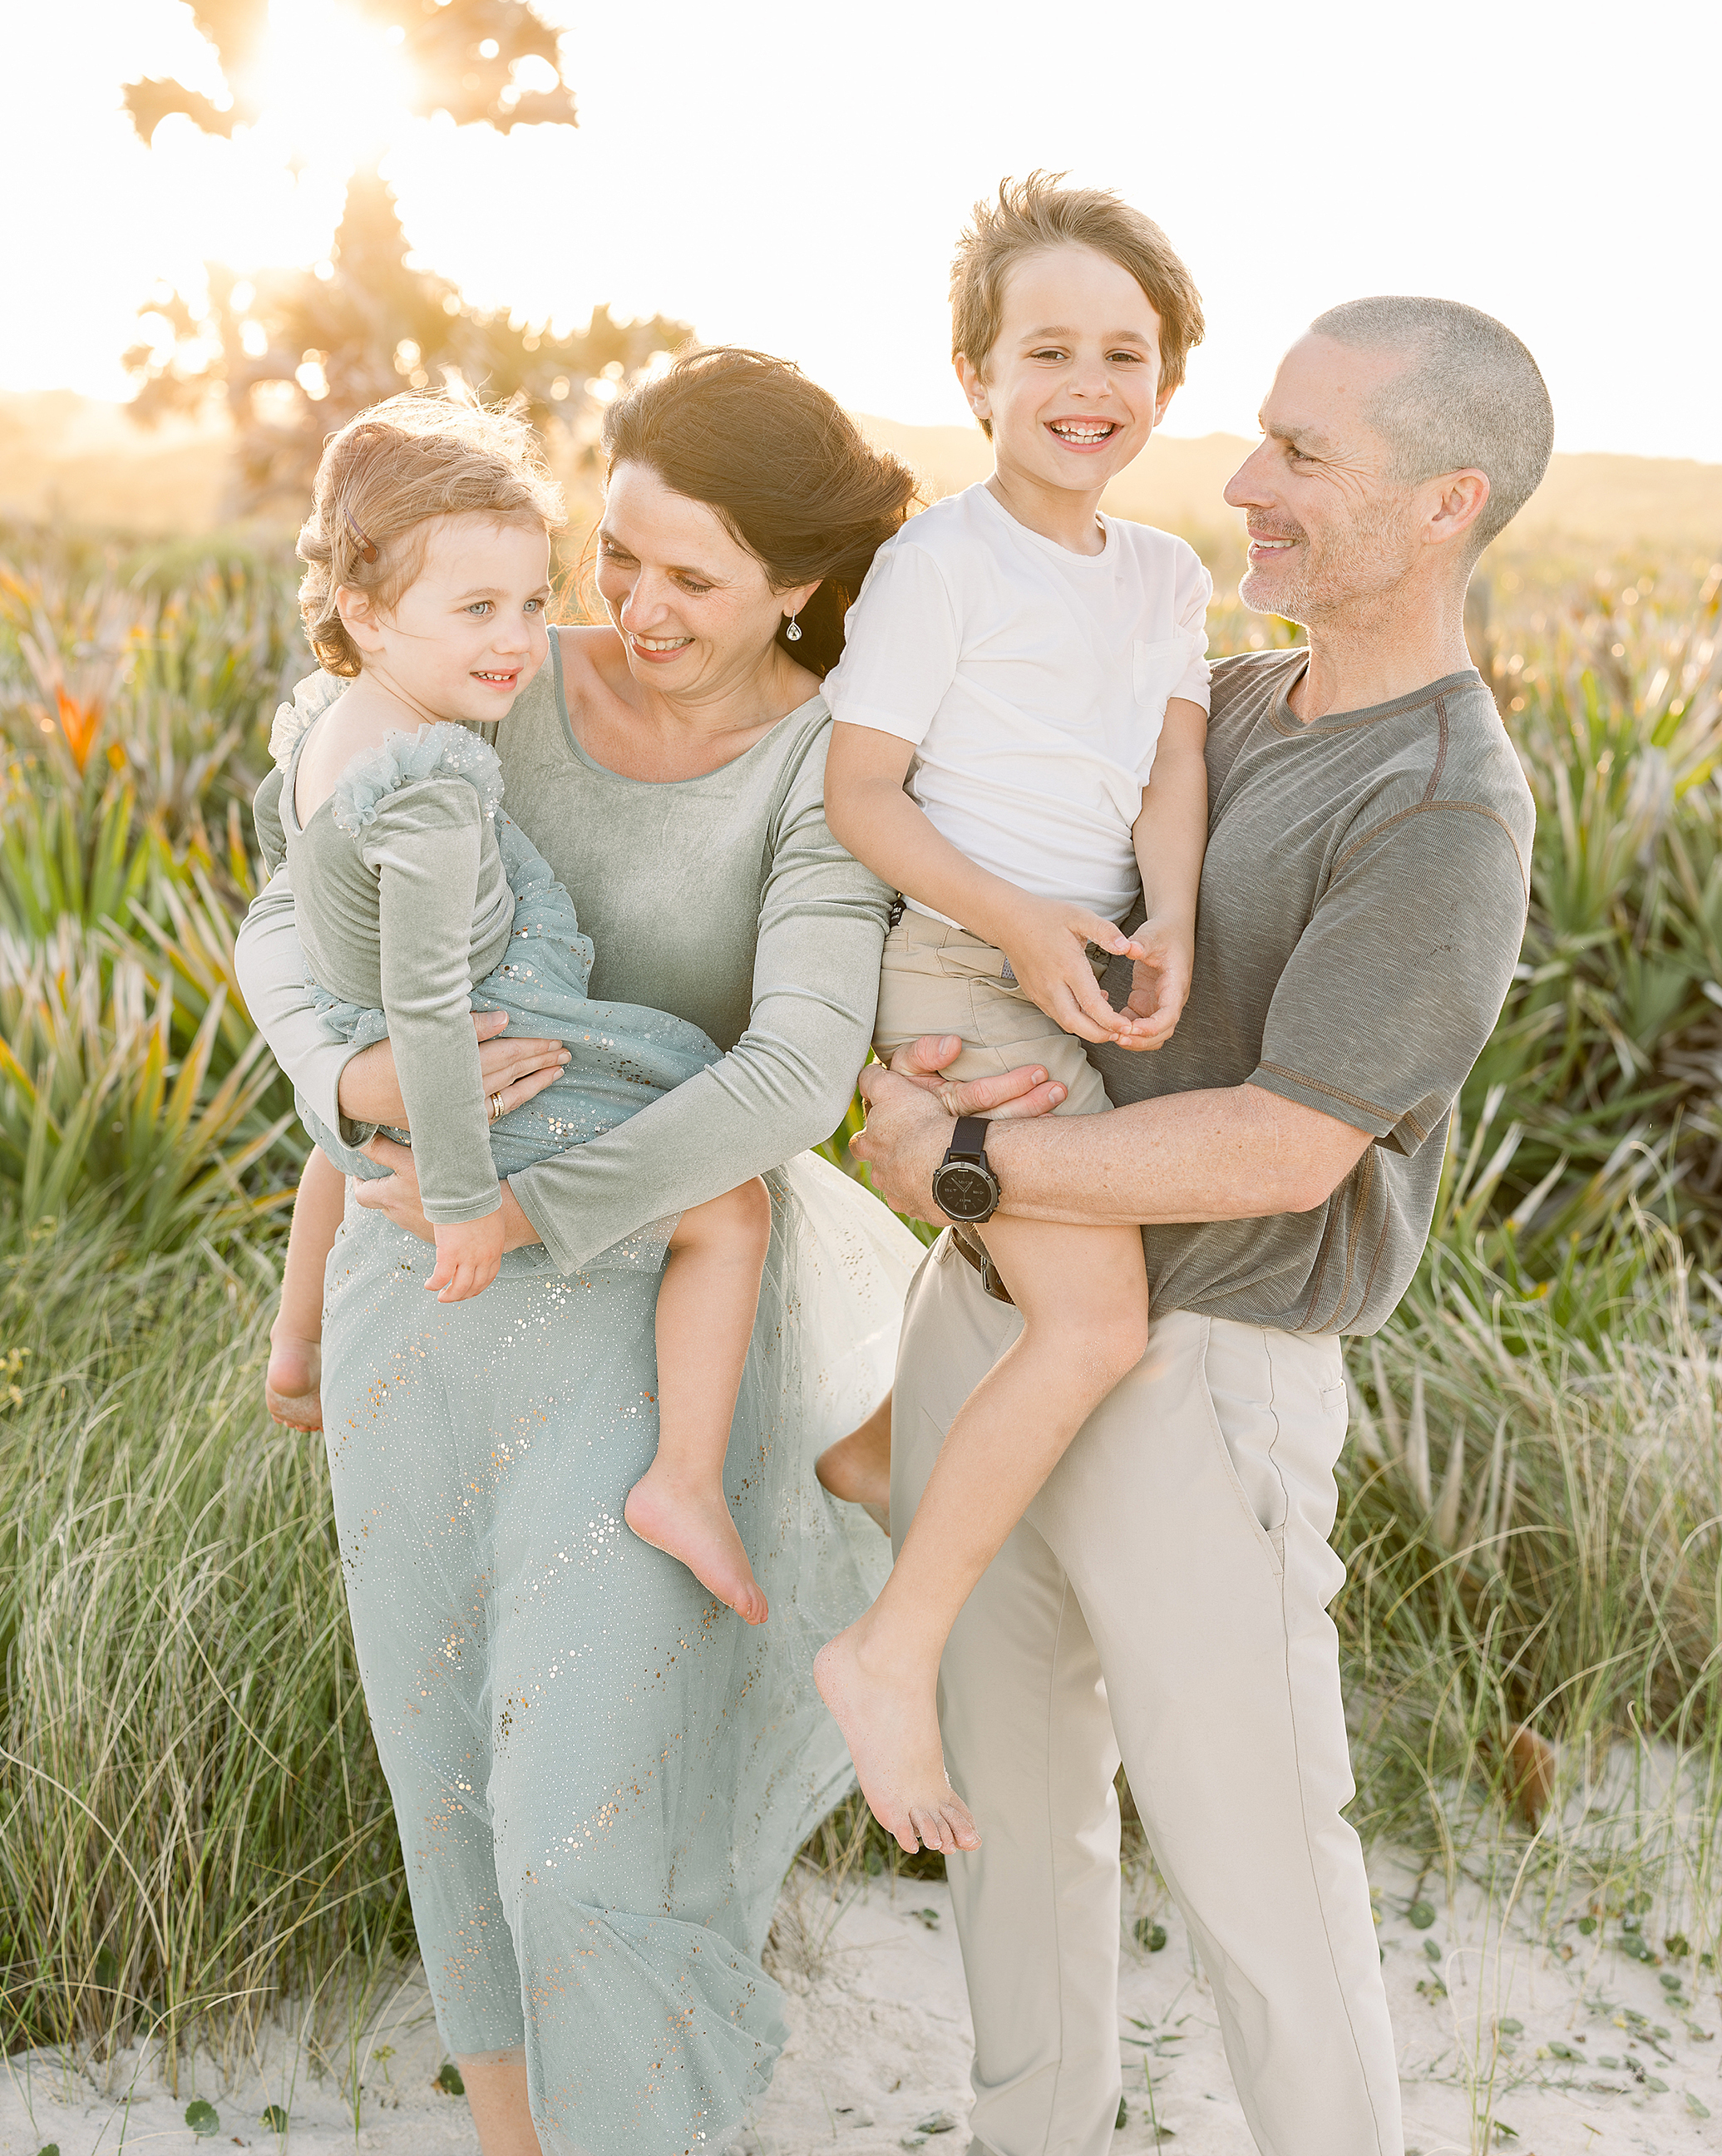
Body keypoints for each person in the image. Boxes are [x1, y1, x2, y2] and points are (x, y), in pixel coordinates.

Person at [851, 296, 1551, 2156]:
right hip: (992, 1334)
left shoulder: (1442, 809)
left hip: (1202, 1377)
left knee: (1260, 1880)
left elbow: (1285, 1149)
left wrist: (968, 1171)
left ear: (1443, 504)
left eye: (1305, 456)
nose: (1244, 483)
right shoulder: (1218, 704)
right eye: (1259, 435)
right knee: (1006, 1846)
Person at [234, 349, 926, 2156]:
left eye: (686, 576)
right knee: (444, 1757)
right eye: (614, 555)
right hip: (421, 1283)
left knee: (581, 1793)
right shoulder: (486, 667)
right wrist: (342, 1080)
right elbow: (283, 921)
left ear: (794, 582)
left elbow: (791, 1071)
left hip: (643, 1302)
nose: (627, 608)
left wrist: (538, 1203)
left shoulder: (822, 762)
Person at [812, 177, 1211, 1854]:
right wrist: (1023, 922)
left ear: (1168, 381)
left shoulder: (1168, 570)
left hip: (1088, 957)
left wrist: (1164, 909)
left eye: (1123, 350)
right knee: (1093, 1324)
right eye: (1047, 345)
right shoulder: (938, 564)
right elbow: (863, 796)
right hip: (971, 967)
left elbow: (1172, 759)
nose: (1087, 379)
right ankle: (888, 1651)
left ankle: (874, 1452)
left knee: (1058, 1304)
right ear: (975, 372)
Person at [259, 394, 777, 1621]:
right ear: (366, 611)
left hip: (364, 1048)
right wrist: (464, 1209)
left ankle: (297, 1343)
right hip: (487, 1069)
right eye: (478, 609)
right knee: (734, 1210)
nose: (519, 641)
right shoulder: (431, 786)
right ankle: (687, 1483)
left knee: (345, 1127)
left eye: (536, 602)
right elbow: (437, 1012)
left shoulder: (345, 723)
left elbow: (357, 985)